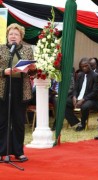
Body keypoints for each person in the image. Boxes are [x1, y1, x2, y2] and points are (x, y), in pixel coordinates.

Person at [0, 23, 36, 161]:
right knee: (3, 121)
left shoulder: (28, 49)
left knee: (19, 121)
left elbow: (32, 72)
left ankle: (18, 152)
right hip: (3, 87)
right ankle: (3, 152)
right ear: (7, 36)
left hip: (21, 88)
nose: (13, 36)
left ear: (21, 37)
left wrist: (33, 68)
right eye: (11, 34)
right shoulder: (1, 48)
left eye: (16, 34)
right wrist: (4, 71)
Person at [65, 57, 98, 131]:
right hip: (78, 98)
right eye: (82, 66)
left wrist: (83, 99)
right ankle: (74, 121)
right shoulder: (80, 75)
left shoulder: (96, 76)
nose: (84, 68)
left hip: (91, 99)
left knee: (84, 106)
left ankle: (82, 124)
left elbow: (95, 92)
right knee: (64, 102)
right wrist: (74, 96)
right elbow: (75, 88)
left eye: (86, 66)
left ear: (90, 65)